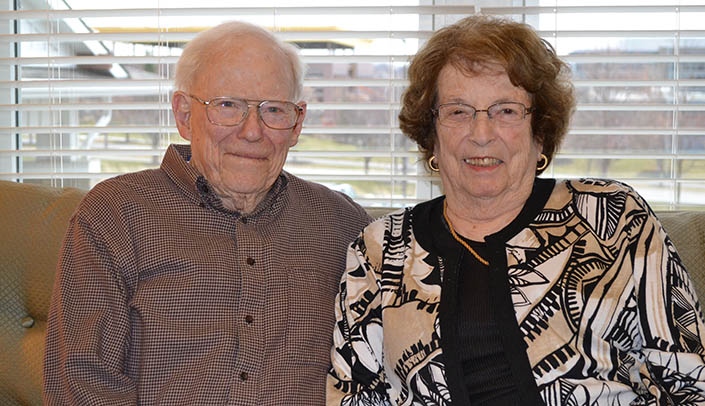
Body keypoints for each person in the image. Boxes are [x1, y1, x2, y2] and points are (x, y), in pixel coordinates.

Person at [327, 14, 705, 406]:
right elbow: (353, 394)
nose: (481, 133)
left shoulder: (614, 217)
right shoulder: (380, 248)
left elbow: (689, 378)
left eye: (505, 111)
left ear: (539, 131)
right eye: (458, 111)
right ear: (432, 135)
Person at [43, 21, 372, 405]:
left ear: (297, 123)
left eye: (274, 110)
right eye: (228, 105)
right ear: (184, 114)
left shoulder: (343, 227)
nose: (252, 131)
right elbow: (83, 384)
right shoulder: (117, 214)